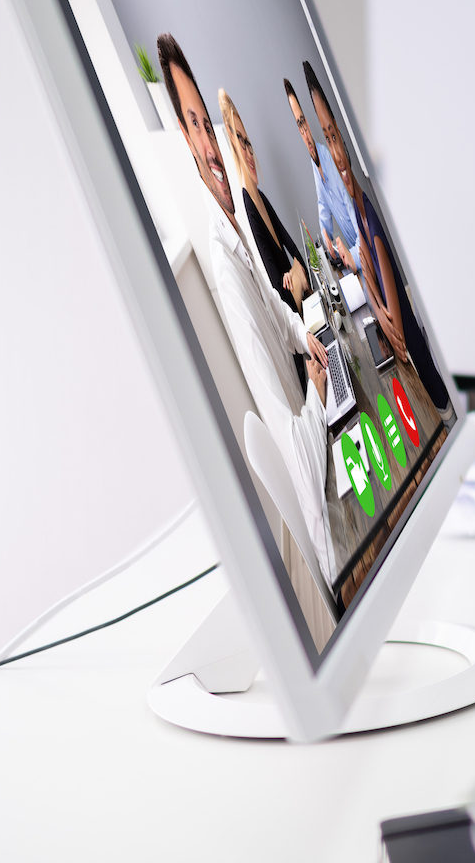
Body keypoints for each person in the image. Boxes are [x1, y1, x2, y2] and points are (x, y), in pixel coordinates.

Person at [159, 34, 339, 584]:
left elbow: (278, 307)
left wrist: (300, 336)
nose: (213, 145)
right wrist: (317, 387)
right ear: (185, 141)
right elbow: (301, 469)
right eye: (194, 125)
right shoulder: (224, 266)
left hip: (332, 469)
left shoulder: (238, 214)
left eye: (206, 123)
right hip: (334, 539)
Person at [301, 62, 443, 410]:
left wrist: (379, 308)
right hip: (415, 366)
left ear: (345, 141)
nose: (332, 152)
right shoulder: (358, 211)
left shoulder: (369, 221)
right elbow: (369, 282)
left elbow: (396, 334)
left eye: (333, 135)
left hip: (434, 394)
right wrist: (377, 305)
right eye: (325, 137)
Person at [219, 88, 312, 314]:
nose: (249, 153)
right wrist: (295, 275)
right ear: (233, 147)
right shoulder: (249, 208)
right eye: (241, 143)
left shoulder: (260, 198)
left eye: (249, 142)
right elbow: (285, 300)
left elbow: (299, 255)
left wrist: (297, 275)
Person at [286, 77, 361, 275]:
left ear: (308, 123)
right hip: (355, 252)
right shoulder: (315, 163)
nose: (303, 131)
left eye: (303, 122)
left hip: (365, 246)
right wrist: (326, 239)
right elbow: (323, 205)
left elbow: (351, 207)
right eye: (298, 126)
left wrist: (353, 256)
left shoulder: (327, 156)